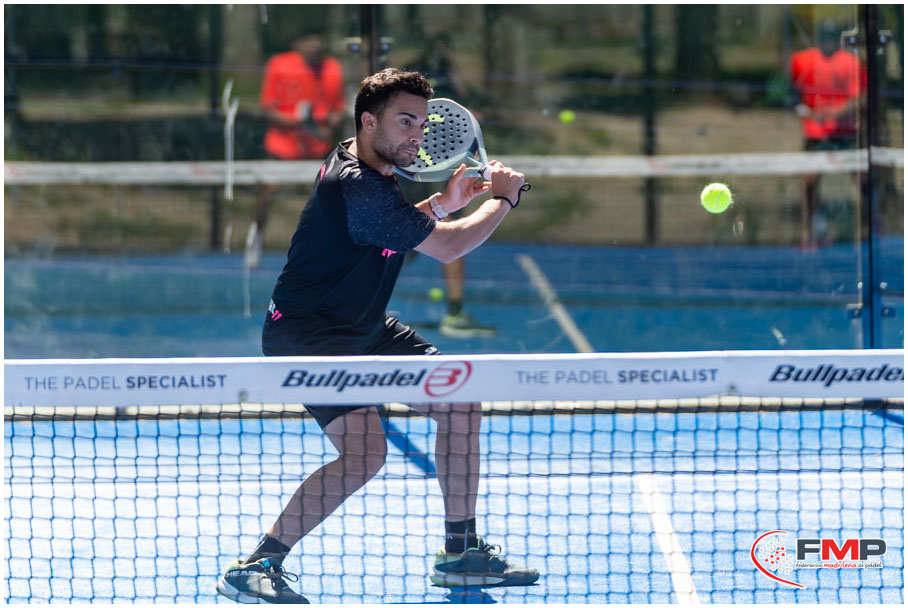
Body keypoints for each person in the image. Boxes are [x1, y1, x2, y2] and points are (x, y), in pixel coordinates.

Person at [216, 68, 539, 604]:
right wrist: (502, 200)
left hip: (361, 326)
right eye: (405, 122)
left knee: (459, 402)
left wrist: (442, 204)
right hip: (311, 337)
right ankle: (256, 566)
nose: (418, 134)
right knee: (365, 453)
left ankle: (461, 554)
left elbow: (389, 229)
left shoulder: (369, 166)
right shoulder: (358, 184)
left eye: (422, 123)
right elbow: (447, 248)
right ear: (369, 121)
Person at [399, 34, 495, 338]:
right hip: (418, 170)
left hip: (433, 168)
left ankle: (454, 314)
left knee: (413, 236)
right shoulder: (419, 82)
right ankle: (454, 313)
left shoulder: (447, 80)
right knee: (409, 236)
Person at [247, 33, 346, 268]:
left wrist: (328, 122)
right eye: (308, 39)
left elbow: (337, 110)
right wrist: (296, 122)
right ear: (297, 43)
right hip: (282, 149)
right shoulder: (279, 64)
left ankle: (332, 250)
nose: (314, 44)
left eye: (318, 39)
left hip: (318, 150)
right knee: (267, 195)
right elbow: (267, 108)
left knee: (331, 201)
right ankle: (255, 243)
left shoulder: (333, 68)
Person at [789, 20, 867, 248]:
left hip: (846, 134)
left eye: (832, 38)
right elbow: (791, 92)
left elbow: (860, 99)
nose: (828, 43)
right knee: (810, 180)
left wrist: (835, 113)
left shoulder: (850, 63)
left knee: (863, 179)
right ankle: (809, 232)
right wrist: (800, 108)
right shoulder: (802, 60)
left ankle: (870, 227)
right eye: (825, 38)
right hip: (817, 135)